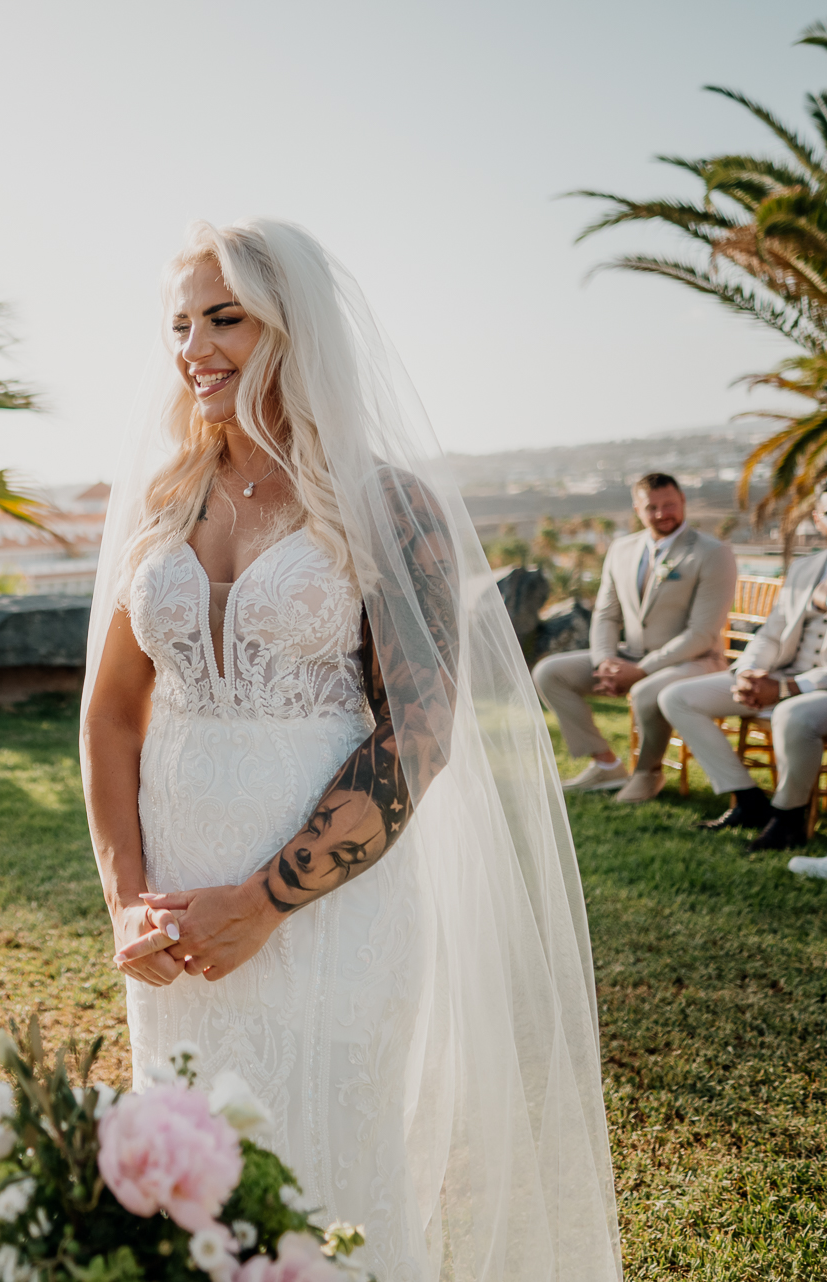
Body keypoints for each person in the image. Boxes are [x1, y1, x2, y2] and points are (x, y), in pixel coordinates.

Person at [81, 220, 619, 1279]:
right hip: (175, 910)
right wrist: (127, 897)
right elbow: (110, 714)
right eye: (180, 323)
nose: (195, 345)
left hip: (333, 916)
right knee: (190, 1174)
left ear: (297, 327)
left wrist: (265, 901)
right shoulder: (162, 505)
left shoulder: (387, 508)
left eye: (225, 316)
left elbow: (417, 736)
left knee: (328, 1168)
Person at [532, 474, 737, 802]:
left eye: (668, 505)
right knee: (549, 673)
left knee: (644, 691)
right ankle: (606, 764)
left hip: (695, 661)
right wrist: (605, 662)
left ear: (682, 500)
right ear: (637, 509)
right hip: (631, 656)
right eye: (651, 507)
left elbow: (702, 633)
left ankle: (647, 773)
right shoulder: (621, 548)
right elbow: (606, 613)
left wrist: (640, 670)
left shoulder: (713, 553)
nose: (661, 514)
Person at [658, 482, 827, 850]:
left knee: (792, 715)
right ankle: (748, 800)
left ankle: (788, 818)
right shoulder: (804, 569)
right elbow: (770, 633)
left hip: (816, 691)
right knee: (677, 697)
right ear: (818, 519)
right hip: (781, 676)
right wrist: (747, 672)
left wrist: (786, 689)